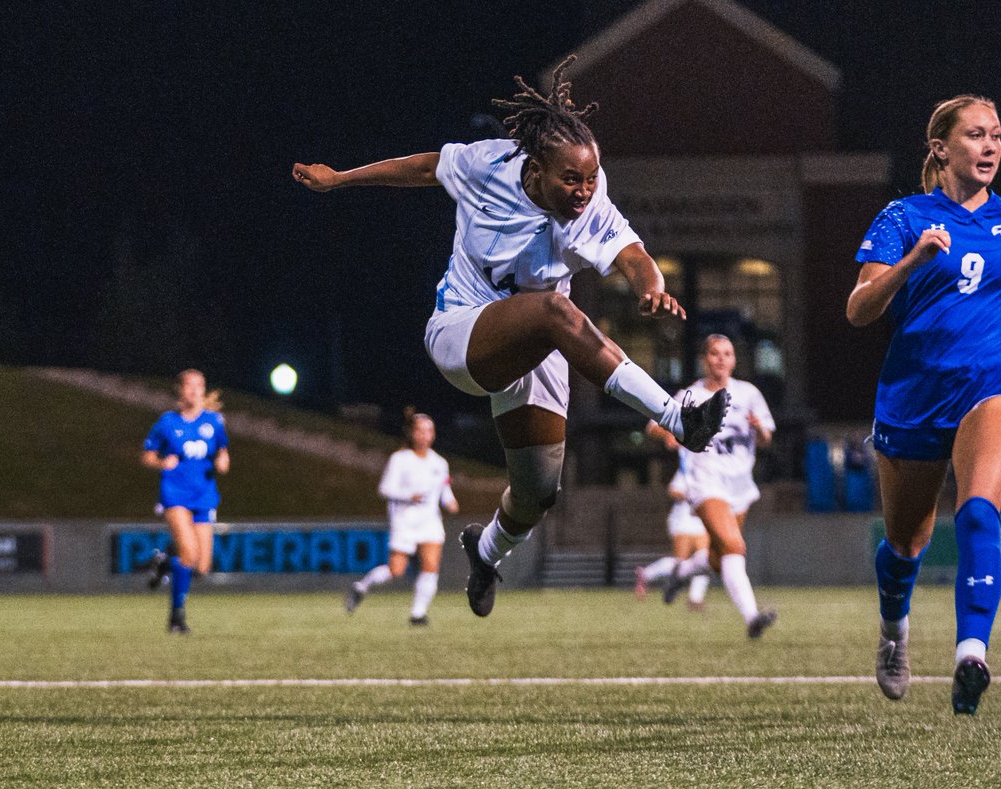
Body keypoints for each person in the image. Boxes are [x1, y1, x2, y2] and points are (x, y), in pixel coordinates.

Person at [293, 56, 727, 619]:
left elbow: (634, 254)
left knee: (538, 492)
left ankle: (486, 552)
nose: (583, 189)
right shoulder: (488, 164)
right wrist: (342, 178)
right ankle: (677, 418)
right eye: (571, 178)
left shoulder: (590, 205)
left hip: (538, 343)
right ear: (536, 167)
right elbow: (424, 167)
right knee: (554, 308)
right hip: (462, 330)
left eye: (591, 177)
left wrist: (650, 287)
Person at [847, 95, 1001, 714]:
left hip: (997, 385)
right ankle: (894, 630)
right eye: (976, 136)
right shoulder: (903, 218)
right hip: (914, 394)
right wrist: (911, 262)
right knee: (905, 544)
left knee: (980, 511)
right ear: (941, 148)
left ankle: (971, 654)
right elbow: (858, 309)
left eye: (997, 136)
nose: (990, 147)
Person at [656, 335, 777, 637]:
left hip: (739, 484)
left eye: (727, 353)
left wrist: (759, 429)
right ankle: (751, 617)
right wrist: (669, 434)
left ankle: (680, 572)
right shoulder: (691, 396)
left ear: (734, 361)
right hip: (705, 482)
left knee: (717, 556)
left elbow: (766, 439)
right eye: (714, 353)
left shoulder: (748, 394)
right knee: (734, 546)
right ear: (704, 359)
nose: (721, 359)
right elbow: (654, 424)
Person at [346, 411, 459, 625]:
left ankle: (418, 614)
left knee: (431, 565)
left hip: (430, 522)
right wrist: (409, 496)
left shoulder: (440, 463)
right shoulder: (399, 459)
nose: (425, 435)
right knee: (396, 571)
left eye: (429, 431)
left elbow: (444, 492)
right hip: (404, 521)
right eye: (420, 430)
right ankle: (361, 587)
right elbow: (385, 489)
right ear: (412, 433)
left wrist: (451, 503)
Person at [140, 369, 230, 634]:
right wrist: (160, 462)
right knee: (188, 555)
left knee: (202, 567)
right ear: (179, 390)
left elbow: (222, 452)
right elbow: (147, 455)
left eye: (199, 386)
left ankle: (164, 561)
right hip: (175, 495)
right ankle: (177, 616)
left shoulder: (214, 422)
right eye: (189, 386)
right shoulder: (167, 423)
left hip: (204, 496)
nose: (194, 391)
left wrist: (223, 461)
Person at [634, 456, 713, 611]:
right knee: (680, 563)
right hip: (683, 521)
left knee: (704, 560)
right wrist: (690, 495)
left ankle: (695, 598)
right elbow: (674, 490)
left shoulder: (711, 474)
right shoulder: (688, 471)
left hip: (702, 522)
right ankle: (647, 574)